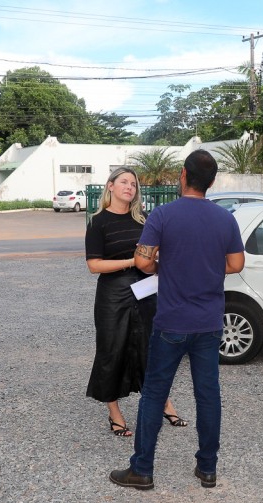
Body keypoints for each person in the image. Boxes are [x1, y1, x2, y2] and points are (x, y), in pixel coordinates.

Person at [109, 149, 245, 491]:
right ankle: (208, 468)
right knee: (208, 395)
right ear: (211, 182)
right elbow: (236, 264)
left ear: (184, 175)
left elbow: (143, 261)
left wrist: (164, 265)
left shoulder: (163, 215)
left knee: (154, 394)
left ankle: (142, 469)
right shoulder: (225, 219)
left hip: (171, 322)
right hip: (209, 324)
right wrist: (207, 266)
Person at [84, 167, 187, 438]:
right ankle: (114, 412)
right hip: (113, 295)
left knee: (150, 349)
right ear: (110, 186)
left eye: (133, 183)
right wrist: (133, 261)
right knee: (111, 350)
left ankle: (164, 403)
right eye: (124, 182)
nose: (129, 187)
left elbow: (157, 254)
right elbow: (94, 265)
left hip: (146, 292)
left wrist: (158, 262)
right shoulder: (98, 222)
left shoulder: (143, 220)